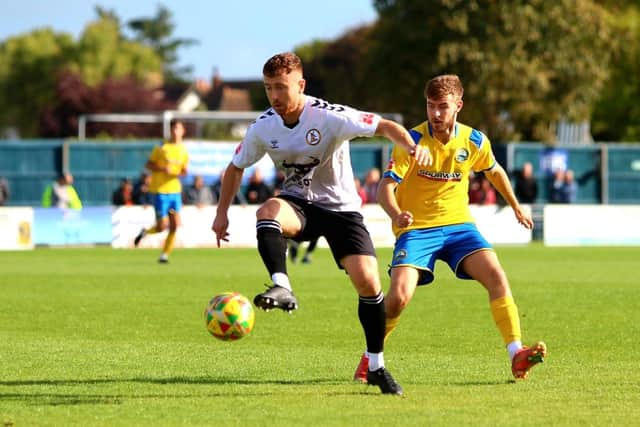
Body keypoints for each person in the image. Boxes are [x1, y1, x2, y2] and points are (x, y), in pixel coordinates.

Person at [211, 52, 430, 395]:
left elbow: (384, 125)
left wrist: (410, 145)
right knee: (267, 211)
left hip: (342, 210)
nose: (275, 96)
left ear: (301, 85)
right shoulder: (263, 126)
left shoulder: (330, 116)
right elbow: (235, 166)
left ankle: (376, 366)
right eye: (269, 88)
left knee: (370, 284)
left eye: (281, 87)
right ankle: (281, 284)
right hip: (299, 205)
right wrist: (221, 212)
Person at [353, 74, 546, 384]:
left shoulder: (474, 140)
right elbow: (385, 188)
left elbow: (494, 172)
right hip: (417, 230)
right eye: (430, 106)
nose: (436, 114)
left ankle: (516, 353)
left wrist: (515, 206)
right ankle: (370, 359)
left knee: (496, 276)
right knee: (399, 297)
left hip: (459, 228)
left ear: (459, 105)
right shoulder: (411, 142)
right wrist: (396, 213)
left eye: (443, 107)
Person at [134, 119, 189, 263]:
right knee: (162, 226)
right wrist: (163, 169)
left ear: (183, 131)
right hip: (160, 191)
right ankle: (145, 232)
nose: (176, 131)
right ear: (170, 131)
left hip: (175, 191)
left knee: (175, 225)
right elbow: (148, 164)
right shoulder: (162, 147)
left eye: (178, 128)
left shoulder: (184, 150)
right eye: (173, 128)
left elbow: (184, 171)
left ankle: (164, 254)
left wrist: (179, 172)